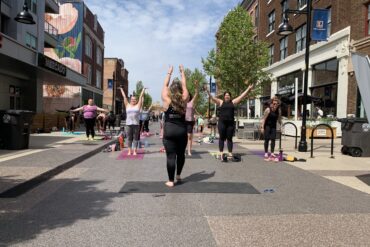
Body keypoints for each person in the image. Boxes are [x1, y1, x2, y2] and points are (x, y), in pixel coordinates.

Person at [205, 82, 254, 159]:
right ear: (224, 96)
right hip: (222, 123)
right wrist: (208, 91)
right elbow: (212, 98)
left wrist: (248, 89)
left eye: (228, 95)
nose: (227, 96)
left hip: (230, 123)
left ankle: (230, 153)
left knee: (229, 138)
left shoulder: (233, 102)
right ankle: (221, 152)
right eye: (226, 95)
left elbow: (242, 96)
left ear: (230, 97)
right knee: (221, 138)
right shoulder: (220, 102)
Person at [161, 65, 189, 187]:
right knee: (181, 154)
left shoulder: (167, 100)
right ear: (181, 90)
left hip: (170, 132)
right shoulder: (184, 99)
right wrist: (182, 72)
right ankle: (178, 175)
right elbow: (184, 85)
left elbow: (165, 86)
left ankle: (171, 181)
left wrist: (169, 73)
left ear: (171, 90)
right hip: (182, 131)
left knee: (171, 156)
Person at [119, 86, 146, 156]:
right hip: (128, 124)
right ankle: (129, 150)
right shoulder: (127, 105)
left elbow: (140, 97)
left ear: (136, 101)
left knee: (135, 138)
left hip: (136, 124)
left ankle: (135, 151)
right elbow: (124, 97)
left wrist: (143, 89)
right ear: (130, 100)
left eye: (134, 100)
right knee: (129, 138)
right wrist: (121, 89)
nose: (133, 100)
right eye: (132, 99)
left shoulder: (138, 105)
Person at [260, 96, 282, 162]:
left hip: (273, 126)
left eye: (276, 104)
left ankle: (272, 153)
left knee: (273, 139)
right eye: (274, 104)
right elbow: (264, 119)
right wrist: (262, 128)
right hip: (267, 126)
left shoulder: (278, 110)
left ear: (278, 104)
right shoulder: (268, 109)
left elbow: (279, 119)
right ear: (272, 103)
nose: (275, 105)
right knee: (266, 139)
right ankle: (266, 152)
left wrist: (281, 127)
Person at [185, 80, 199, 156]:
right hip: (183, 121)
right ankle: (182, 149)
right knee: (183, 136)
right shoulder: (182, 102)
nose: (187, 97)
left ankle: (189, 151)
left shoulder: (191, 102)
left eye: (188, 96)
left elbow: (197, 93)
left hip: (190, 121)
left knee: (189, 136)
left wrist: (196, 85)